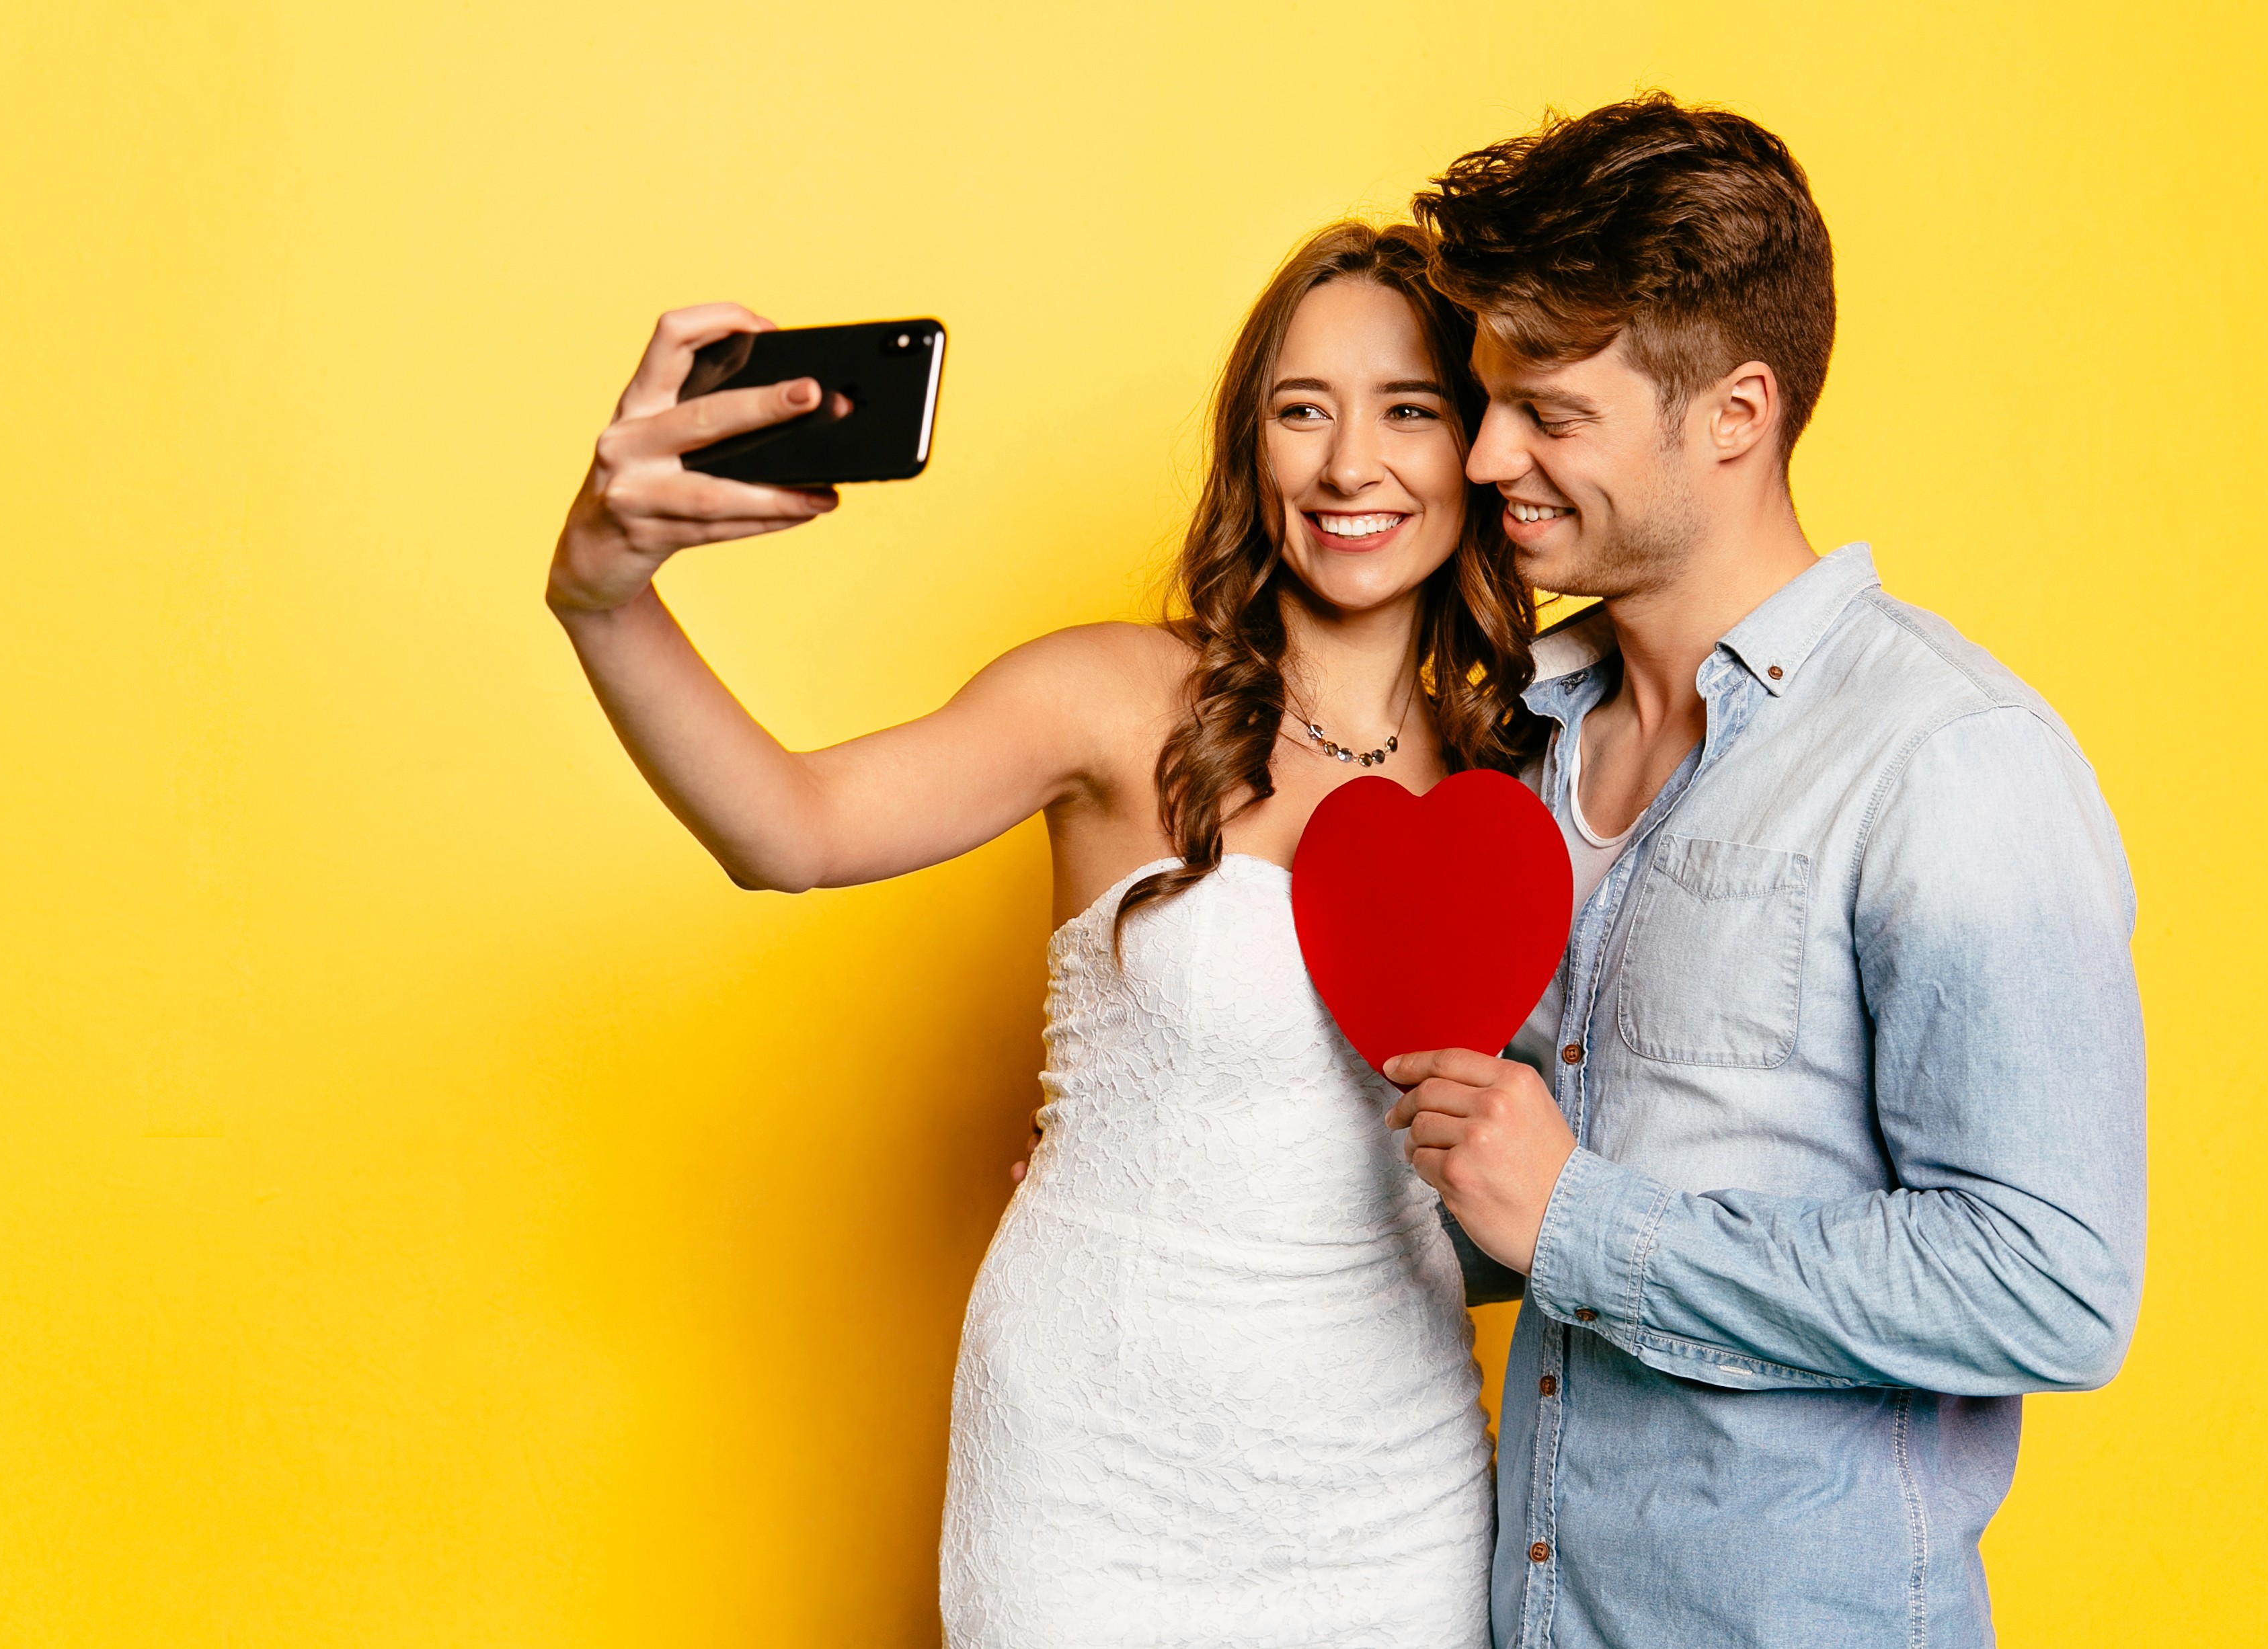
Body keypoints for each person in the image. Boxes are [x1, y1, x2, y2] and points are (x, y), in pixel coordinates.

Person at [542, 222, 1534, 1646]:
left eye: (1409, 411)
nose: (1347, 464)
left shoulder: (1520, 776)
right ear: (1249, 449)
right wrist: (603, 599)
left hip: (1389, 1487)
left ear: (1478, 446)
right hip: (1094, 1469)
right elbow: (792, 829)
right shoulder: (1119, 700)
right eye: (1298, 409)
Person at [1381, 96, 2148, 1648]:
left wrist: (1585, 1223)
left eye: (1548, 413)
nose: (1481, 457)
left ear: (1734, 412)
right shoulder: (1523, 750)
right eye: (1483, 402)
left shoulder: (1946, 761)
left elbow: (2052, 1283)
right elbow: (1501, 1188)